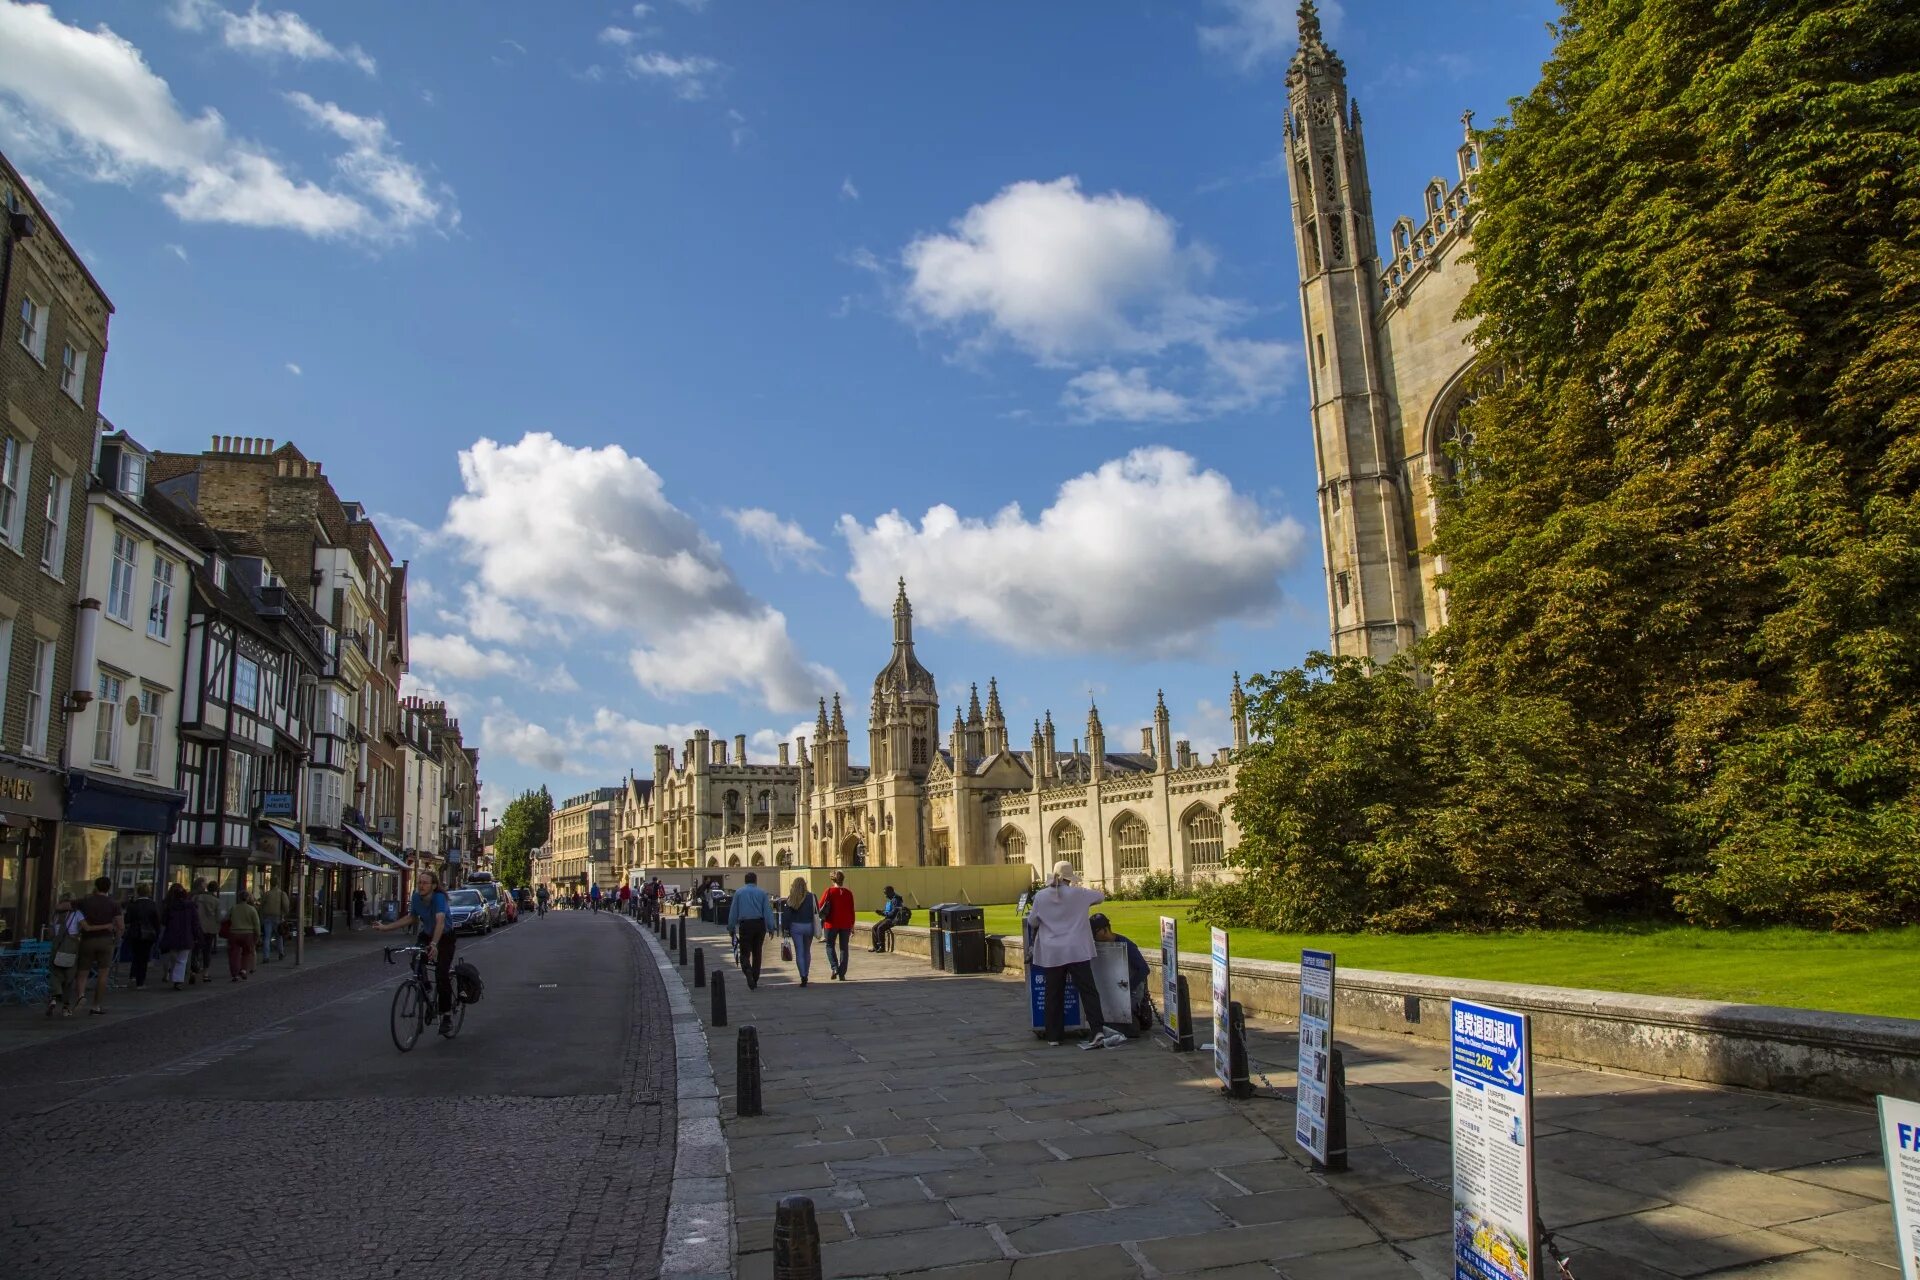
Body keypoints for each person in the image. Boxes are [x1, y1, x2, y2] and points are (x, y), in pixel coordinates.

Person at [1029, 861, 1124, 1050]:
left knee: (1053, 993)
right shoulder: (1080, 894)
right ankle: (1096, 1029)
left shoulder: (1041, 896)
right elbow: (1100, 897)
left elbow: (1032, 921)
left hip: (1053, 952)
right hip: (1076, 950)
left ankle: (1054, 1035)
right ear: (1070, 878)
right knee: (1088, 991)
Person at [375, 869, 457, 1037]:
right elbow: (411, 918)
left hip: (445, 937)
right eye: (419, 882)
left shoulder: (439, 898)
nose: (421, 885)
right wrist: (386, 928)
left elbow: (440, 921)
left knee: (442, 974)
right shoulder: (416, 898)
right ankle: (425, 989)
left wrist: (434, 944)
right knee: (416, 960)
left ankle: (446, 1015)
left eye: (425, 883)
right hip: (427, 934)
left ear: (433, 886)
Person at [1090, 913, 1153, 1032]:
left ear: (1105, 930)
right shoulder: (1096, 946)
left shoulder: (1126, 945)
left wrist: (1126, 989)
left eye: (1094, 933)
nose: (1092, 937)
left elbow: (1144, 969)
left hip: (1130, 991)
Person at [70, 876, 123, 1015]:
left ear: (96, 886)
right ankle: (96, 1005)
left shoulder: (86, 901)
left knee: (82, 972)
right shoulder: (113, 904)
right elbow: (120, 926)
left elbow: (65, 906)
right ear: (109, 888)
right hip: (106, 940)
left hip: (87, 939)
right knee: (103, 974)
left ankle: (81, 995)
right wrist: (117, 939)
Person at [726, 871, 775, 990]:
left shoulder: (739, 893)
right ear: (755, 881)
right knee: (757, 952)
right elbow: (767, 911)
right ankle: (755, 977)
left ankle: (747, 969)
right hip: (759, 924)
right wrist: (771, 927)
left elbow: (733, 912)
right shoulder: (762, 893)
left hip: (745, 925)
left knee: (745, 951)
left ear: (745, 881)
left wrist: (731, 927)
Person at [158, 883, 200, 991]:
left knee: (173, 957)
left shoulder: (169, 906)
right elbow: (195, 922)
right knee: (182, 959)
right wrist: (196, 936)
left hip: (172, 935)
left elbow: (164, 921)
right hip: (186, 935)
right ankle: (178, 980)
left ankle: (173, 975)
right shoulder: (190, 906)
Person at [45, 897, 82, 1017]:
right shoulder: (77, 914)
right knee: (69, 977)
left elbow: (50, 934)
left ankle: (54, 998)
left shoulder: (55, 915)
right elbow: (84, 927)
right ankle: (65, 1007)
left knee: (55, 974)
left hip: (56, 947)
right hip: (70, 948)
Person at [818, 870, 855, 981]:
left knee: (830, 946)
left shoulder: (829, 891)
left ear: (832, 879)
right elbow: (851, 910)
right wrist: (852, 924)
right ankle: (842, 973)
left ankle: (834, 967)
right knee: (844, 948)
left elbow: (820, 906)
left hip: (830, 923)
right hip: (845, 923)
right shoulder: (848, 893)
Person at [124, 882, 161, 989]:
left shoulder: (133, 905)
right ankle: (140, 981)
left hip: (134, 933)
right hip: (148, 934)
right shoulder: (152, 905)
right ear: (149, 892)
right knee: (144, 958)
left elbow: (127, 919)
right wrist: (157, 933)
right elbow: (156, 921)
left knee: (136, 955)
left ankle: (133, 976)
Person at [784, 877, 819, 987]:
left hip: (796, 927)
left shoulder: (792, 898)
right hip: (809, 925)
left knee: (799, 951)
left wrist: (785, 928)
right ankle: (806, 973)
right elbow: (816, 911)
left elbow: (787, 915)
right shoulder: (812, 897)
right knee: (807, 951)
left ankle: (803, 976)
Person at [226, 890, 261, 982]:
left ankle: (235, 974)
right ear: (248, 898)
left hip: (234, 933)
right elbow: (256, 924)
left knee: (234, 954)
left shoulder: (234, 908)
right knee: (247, 953)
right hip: (248, 934)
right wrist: (257, 935)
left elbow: (226, 918)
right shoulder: (252, 909)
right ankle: (244, 970)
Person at [192, 879, 221, 979]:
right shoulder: (216, 901)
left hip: (198, 926)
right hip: (210, 928)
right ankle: (206, 973)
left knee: (196, 949)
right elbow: (219, 917)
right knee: (207, 950)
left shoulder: (197, 898)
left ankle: (193, 971)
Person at [258, 880, 289, 962]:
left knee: (267, 937)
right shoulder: (282, 893)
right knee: (279, 936)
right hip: (278, 917)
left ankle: (266, 957)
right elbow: (286, 906)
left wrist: (261, 915)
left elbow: (261, 905)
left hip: (267, 917)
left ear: (271, 884)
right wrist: (284, 914)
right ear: (278, 884)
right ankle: (281, 953)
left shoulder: (267, 894)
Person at [869, 885, 903, 953]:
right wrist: (882, 912)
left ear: (891, 892)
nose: (885, 895)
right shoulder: (891, 899)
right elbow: (888, 911)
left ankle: (882, 947)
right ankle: (876, 947)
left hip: (893, 919)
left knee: (880, 928)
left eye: (886, 893)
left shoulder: (896, 900)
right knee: (874, 928)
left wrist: (883, 913)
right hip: (888, 918)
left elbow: (893, 913)